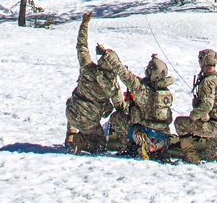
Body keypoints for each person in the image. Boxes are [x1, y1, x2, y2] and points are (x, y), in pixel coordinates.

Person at [64, 11, 126, 153]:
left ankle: (71, 134)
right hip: (89, 122)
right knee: (99, 145)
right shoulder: (112, 85)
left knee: (72, 100)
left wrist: (85, 23)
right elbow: (120, 107)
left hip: (71, 112)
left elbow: (82, 46)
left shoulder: (87, 67)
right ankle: (81, 141)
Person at [102, 51, 173, 159]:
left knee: (116, 117)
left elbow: (122, 72)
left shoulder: (142, 89)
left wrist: (107, 55)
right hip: (162, 137)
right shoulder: (166, 93)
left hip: (145, 135)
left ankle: (130, 147)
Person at [174, 49, 217, 165]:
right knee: (211, 157)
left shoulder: (207, 81)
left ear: (203, 61)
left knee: (180, 123)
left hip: (213, 127)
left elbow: (206, 105)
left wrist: (194, 116)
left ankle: (191, 156)